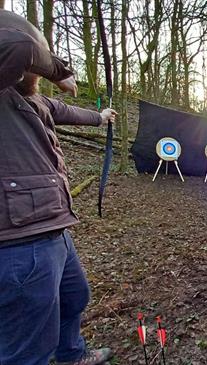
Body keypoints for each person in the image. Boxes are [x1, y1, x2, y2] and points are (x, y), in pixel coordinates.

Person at [0, 10, 117, 365]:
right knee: (27, 346)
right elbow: (17, 45)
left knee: (74, 296)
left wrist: (101, 117)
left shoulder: (37, 102)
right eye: (41, 55)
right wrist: (59, 70)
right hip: (19, 242)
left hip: (52, 230)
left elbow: (70, 113)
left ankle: (72, 354)